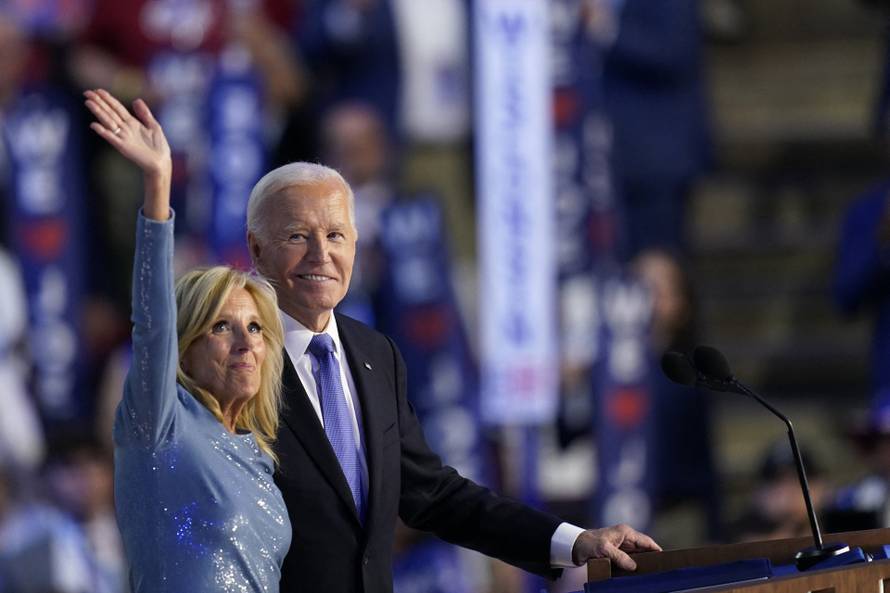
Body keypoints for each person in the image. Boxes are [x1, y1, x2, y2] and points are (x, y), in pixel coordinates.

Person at [245, 162, 662, 593]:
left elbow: (434, 495)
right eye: (297, 235)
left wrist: (575, 542)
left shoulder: (375, 354)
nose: (321, 254)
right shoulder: (230, 356)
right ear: (256, 249)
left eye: (335, 235)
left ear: (355, 244)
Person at [83, 88, 291, 593]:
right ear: (186, 346)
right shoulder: (159, 422)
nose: (245, 341)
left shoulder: (258, 453)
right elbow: (152, 325)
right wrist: (159, 185)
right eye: (222, 326)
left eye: (256, 328)